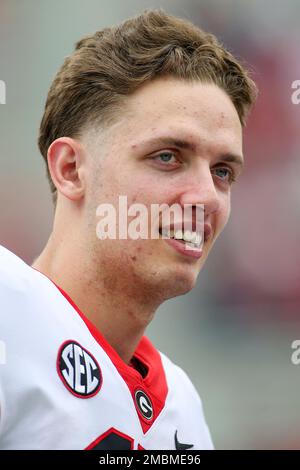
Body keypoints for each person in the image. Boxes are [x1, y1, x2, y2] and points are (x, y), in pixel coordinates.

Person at [0, 9, 257, 450]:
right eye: (167, 157)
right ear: (71, 169)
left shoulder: (184, 411)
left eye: (222, 172)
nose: (206, 197)